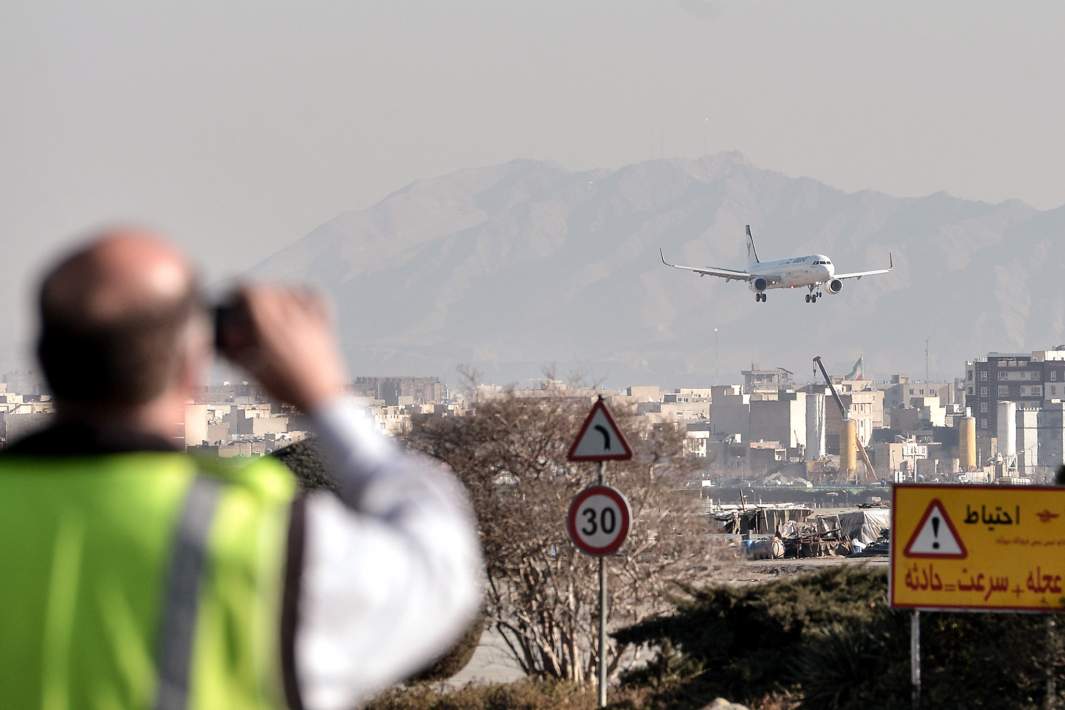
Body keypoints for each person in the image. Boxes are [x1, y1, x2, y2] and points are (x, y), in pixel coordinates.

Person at [0, 228, 482, 709]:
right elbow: (441, 569)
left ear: (43, 357)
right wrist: (327, 399)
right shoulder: (259, 541)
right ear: (193, 364)